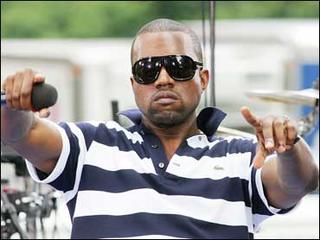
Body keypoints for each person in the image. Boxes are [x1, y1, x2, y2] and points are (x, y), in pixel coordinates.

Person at [1, 18, 319, 239]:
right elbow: (22, 134)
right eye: (148, 70)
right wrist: (17, 103)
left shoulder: (241, 157)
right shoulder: (91, 145)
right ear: (134, 83)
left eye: (178, 66)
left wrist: (290, 147)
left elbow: (298, 182)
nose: (163, 79)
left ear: (203, 78)